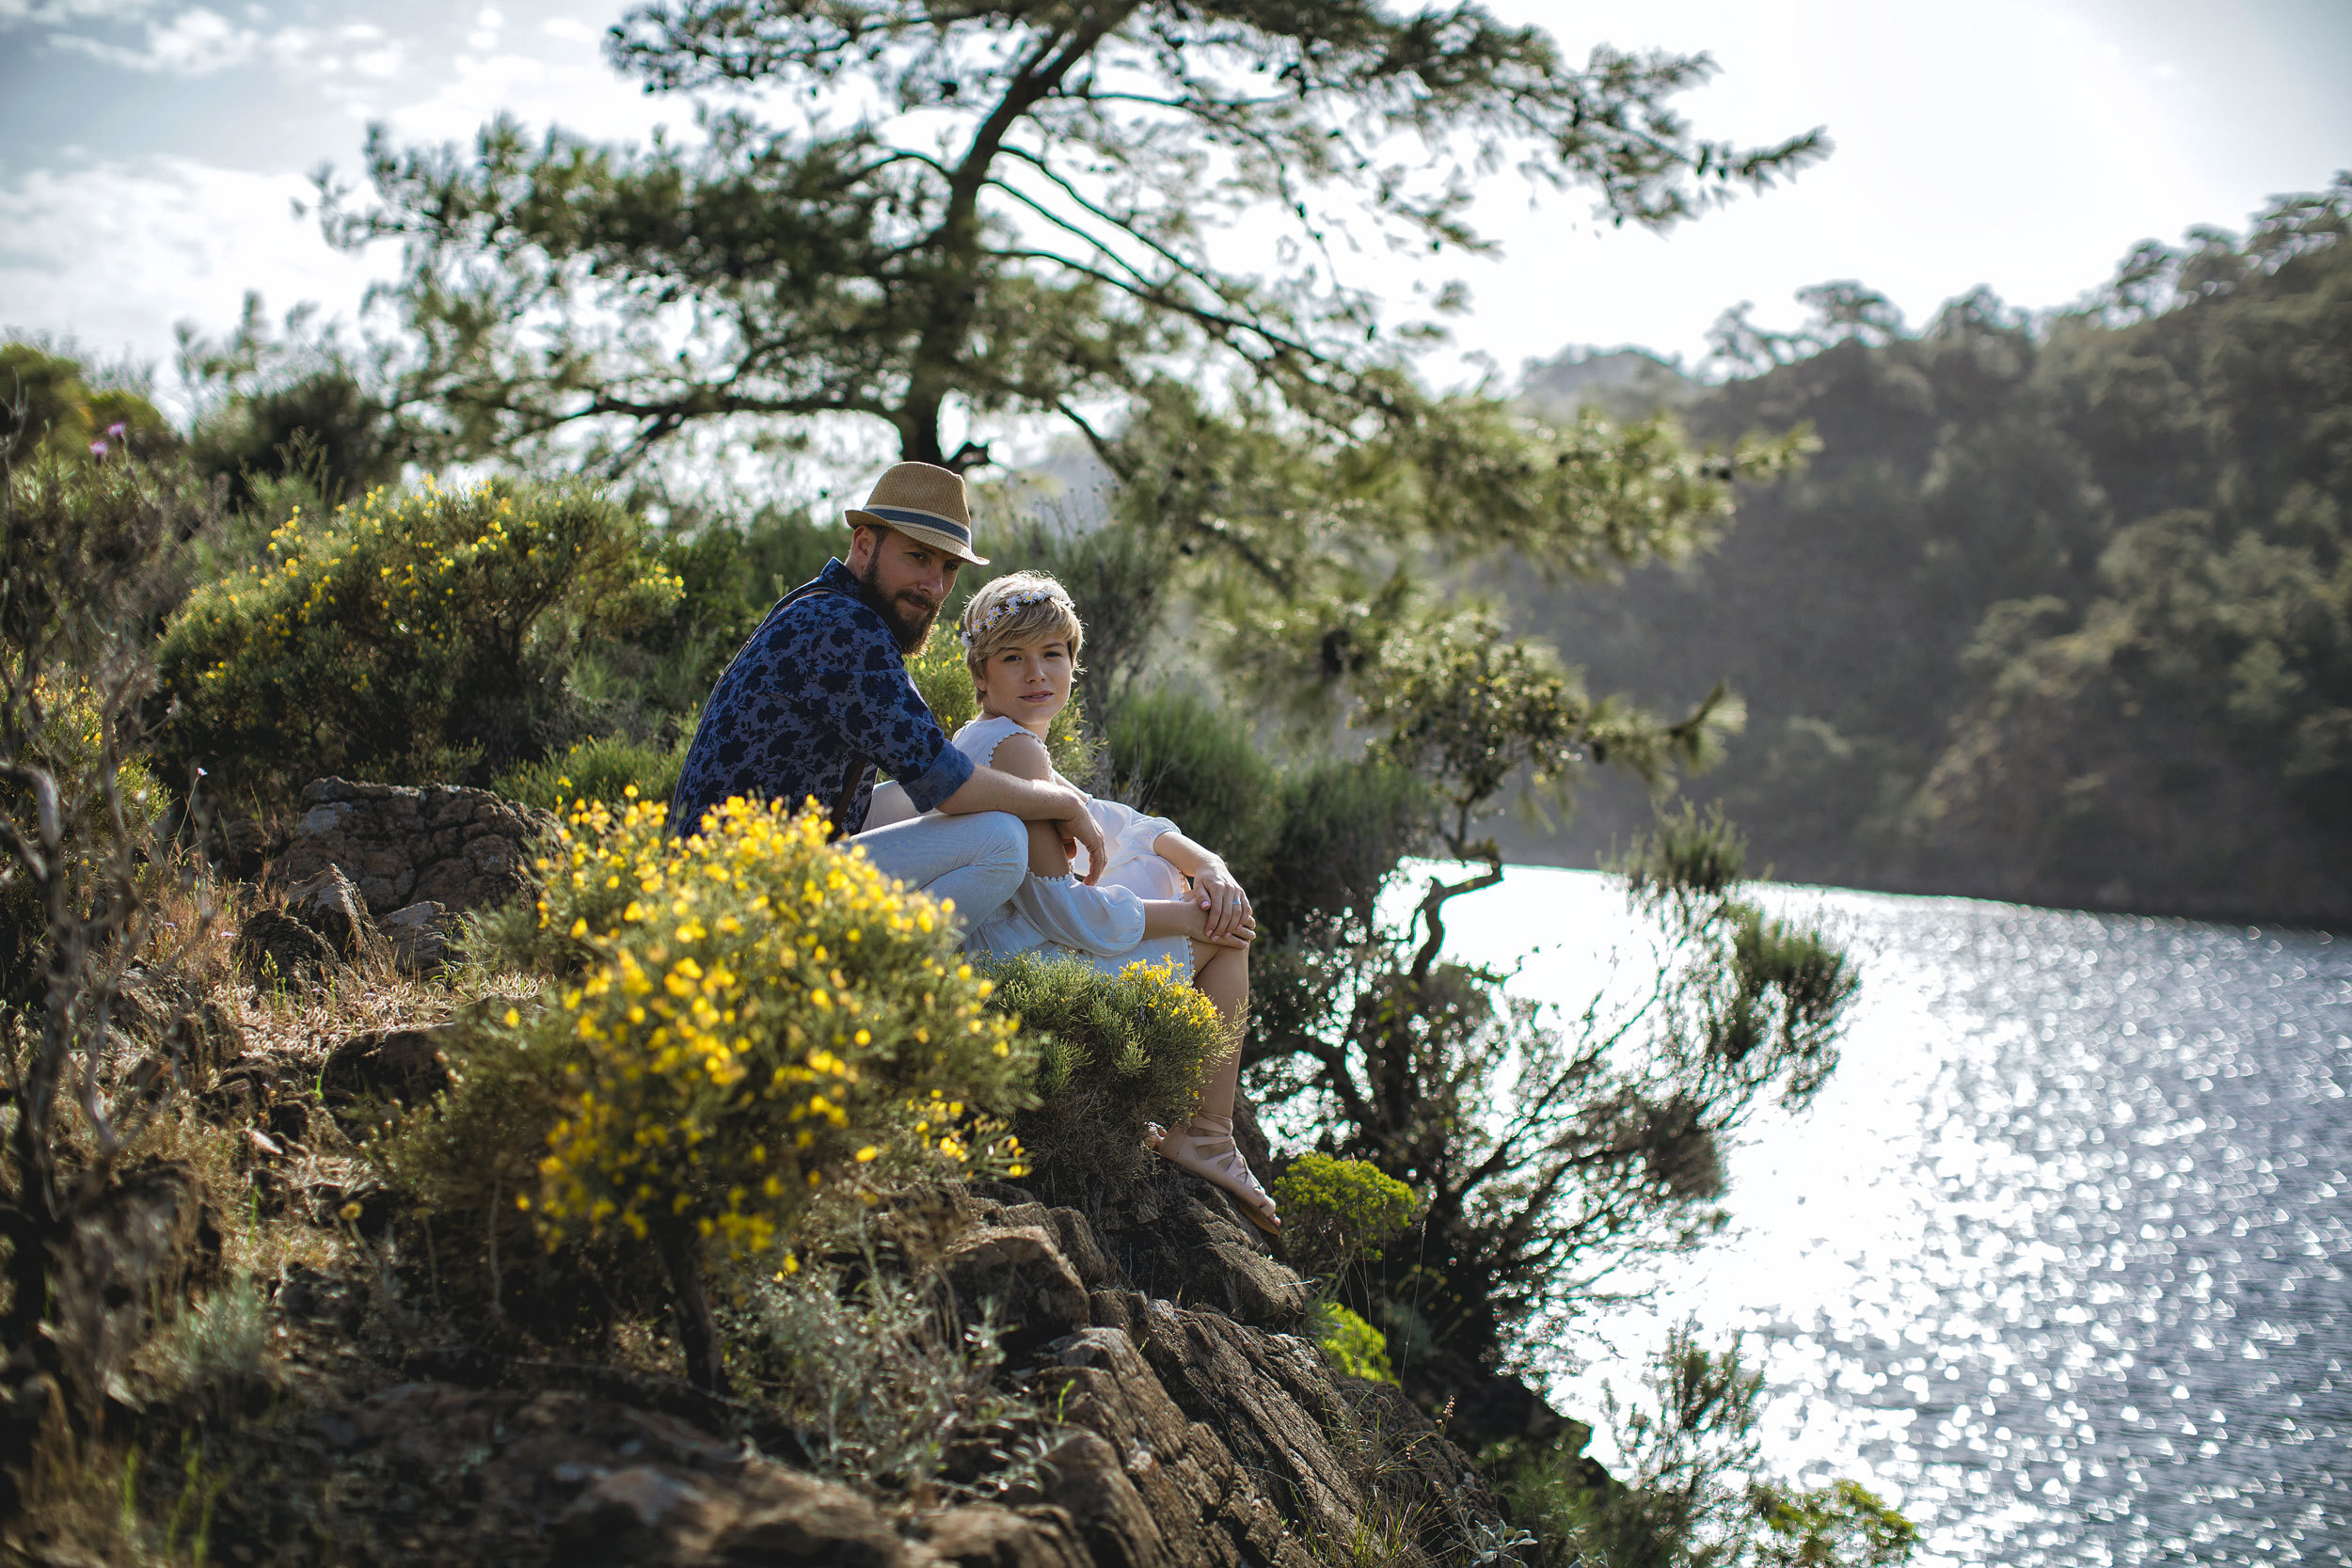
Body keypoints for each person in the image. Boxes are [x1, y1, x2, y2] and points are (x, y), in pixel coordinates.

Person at [928, 571, 1280, 1235]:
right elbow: (1061, 913)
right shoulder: (1014, 748)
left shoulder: (1001, 739)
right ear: (981, 673)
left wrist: (1207, 863)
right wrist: (1191, 914)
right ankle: (1207, 1131)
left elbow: (1115, 821)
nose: (1037, 673)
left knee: (1159, 867)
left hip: (1017, 961)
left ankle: (1194, 1123)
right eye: (1013, 657)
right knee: (1228, 935)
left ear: (1072, 660)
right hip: (1021, 981)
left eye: (1052, 653)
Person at [668, 463, 1105, 931]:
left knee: (928, 800)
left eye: (949, 567)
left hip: (762, 862)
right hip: (738, 894)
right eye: (919, 557)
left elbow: (930, 773)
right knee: (999, 840)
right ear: (864, 544)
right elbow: (947, 781)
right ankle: (876, 986)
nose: (934, 586)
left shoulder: (826, 606)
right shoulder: (842, 627)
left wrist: (1121, 822)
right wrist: (1062, 805)